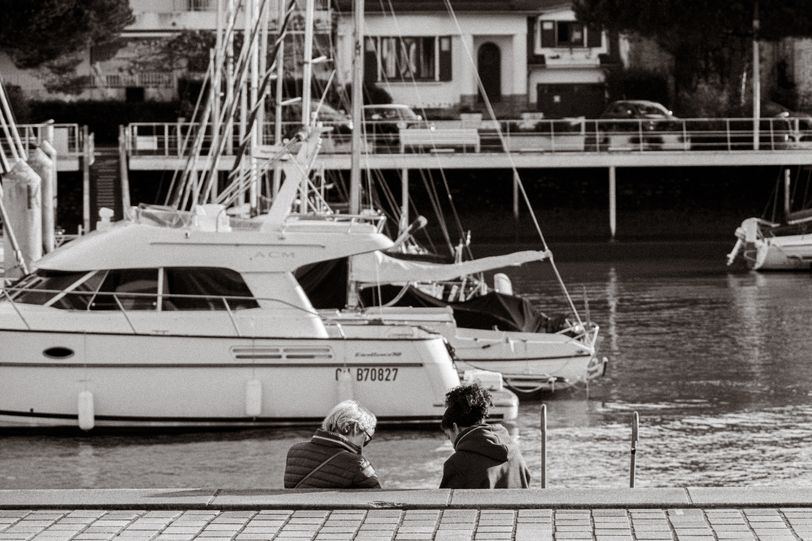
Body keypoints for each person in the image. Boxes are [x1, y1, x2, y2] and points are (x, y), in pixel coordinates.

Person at [439, 383, 531, 489]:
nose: (452, 444)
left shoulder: (457, 464)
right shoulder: (514, 451)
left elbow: (447, 499)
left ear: (455, 427)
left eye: (449, 436)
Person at [284, 400, 381, 489]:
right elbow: (376, 496)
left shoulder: (294, 451)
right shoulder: (358, 464)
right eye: (366, 439)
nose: (363, 445)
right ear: (351, 428)